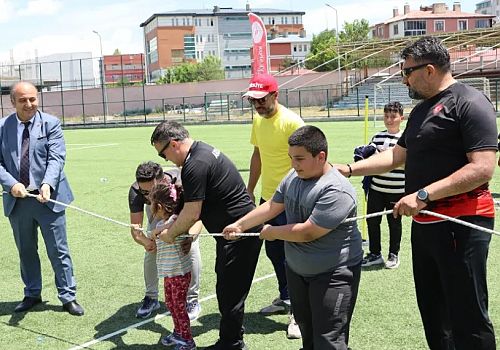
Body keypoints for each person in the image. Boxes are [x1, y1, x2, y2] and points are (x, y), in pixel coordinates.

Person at [336, 36, 497, 350]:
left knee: (467, 316)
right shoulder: (422, 109)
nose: (403, 78)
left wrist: (423, 195)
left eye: (407, 72)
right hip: (425, 227)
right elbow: (398, 155)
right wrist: (349, 169)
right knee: (434, 315)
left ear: (430, 70)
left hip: (460, 224)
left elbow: (482, 168)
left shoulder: (470, 102)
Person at [224, 125, 363, 350]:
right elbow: (272, 205)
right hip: (298, 271)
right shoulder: (294, 176)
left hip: (333, 274)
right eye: (291, 158)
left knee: (328, 340)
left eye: (299, 158)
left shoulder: (336, 190)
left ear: (321, 156)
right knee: (307, 333)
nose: (293, 164)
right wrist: (240, 224)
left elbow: (308, 231)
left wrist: (272, 233)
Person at [150, 121, 262, 350]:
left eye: (164, 154)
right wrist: (166, 226)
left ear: (173, 144)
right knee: (228, 289)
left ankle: (232, 344)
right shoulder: (199, 155)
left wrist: (170, 234)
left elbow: (192, 213)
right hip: (233, 234)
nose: (166, 160)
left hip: (240, 235)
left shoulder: (195, 164)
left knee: (230, 293)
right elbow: (186, 206)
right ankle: (232, 340)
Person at [0, 81, 83, 316]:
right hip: (18, 201)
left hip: (49, 199)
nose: (29, 104)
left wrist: (47, 184)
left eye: (32, 99)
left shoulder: (51, 124)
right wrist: (11, 183)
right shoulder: (2, 127)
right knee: (26, 250)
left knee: (58, 250)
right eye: (23, 100)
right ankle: (32, 293)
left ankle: (68, 296)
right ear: (12, 102)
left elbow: (56, 158)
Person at [243, 73, 304, 338]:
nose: (257, 105)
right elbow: (257, 155)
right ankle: (286, 297)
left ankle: (299, 314)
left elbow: (307, 162)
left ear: (275, 95)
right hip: (267, 200)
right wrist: (249, 189)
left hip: (292, 202)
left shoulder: (293, 122)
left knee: (295, 257)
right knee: (274, 253)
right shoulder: (257, 120)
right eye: (253, 101)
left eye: (261, 100)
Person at [128, 161, 202, 320]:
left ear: (162, 182)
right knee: (150, 252)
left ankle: (192, 300)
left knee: (191, 248)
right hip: (158, 211)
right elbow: (136, 229)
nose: (147, 195)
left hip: (183, 210)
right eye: (144, 191)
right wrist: (146, 242)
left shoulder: (182, 183)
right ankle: (151, 297)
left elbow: (198, 218)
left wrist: (190, 237)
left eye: (151, 191)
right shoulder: (136, 191)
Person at [149, 182, 201, 350]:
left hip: (179, 273)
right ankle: (178, 332)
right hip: (168, 273)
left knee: (179, 307)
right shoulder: (162, 223)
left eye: (152, 204)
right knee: (171, 304)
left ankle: (188, 340)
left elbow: (167, 234)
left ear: (159, 206)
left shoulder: (175, 220)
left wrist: (157, 231)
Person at [359, 102, 405, 269]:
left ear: (401, 117)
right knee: (372, 222)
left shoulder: (405, 139)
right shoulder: (377, 137)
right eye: (386, 116)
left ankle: (394, 254)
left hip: (397, 190)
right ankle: (375, 253)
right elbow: (371, 162)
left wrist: (384, 159)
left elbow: (404, 162)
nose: (389, 120)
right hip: (376, 189)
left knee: (394, 223)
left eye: (393, 116)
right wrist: (365, 156)